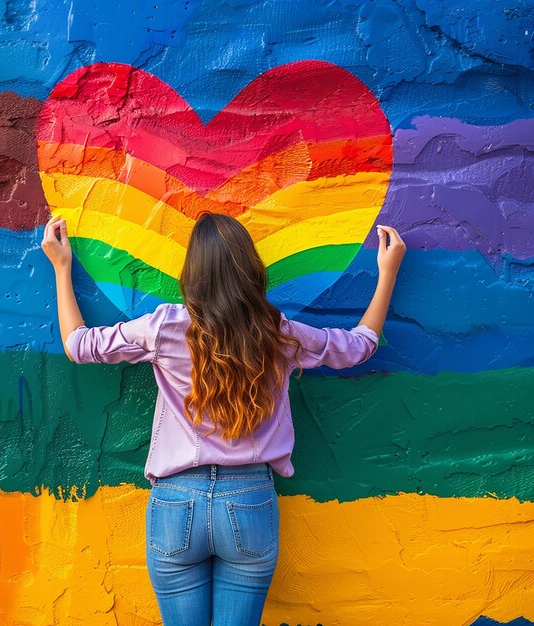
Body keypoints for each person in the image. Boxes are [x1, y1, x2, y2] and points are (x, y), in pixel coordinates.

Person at [41, 212, 406, 626]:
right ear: (251, 269)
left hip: (176, 502)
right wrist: (387, 273)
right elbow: (359, 346)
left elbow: (78, 344)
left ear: (191, 274)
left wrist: (62, 266)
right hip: (249, 498)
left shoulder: (163, 327)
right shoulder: (278, 332)